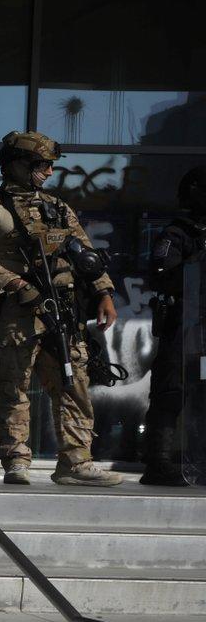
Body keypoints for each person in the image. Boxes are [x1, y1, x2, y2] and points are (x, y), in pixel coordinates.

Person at [0, 130, 122, 487]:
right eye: (41, 165)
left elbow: (85, 255)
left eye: (50, 165)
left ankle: (76, 462)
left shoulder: (57, 208)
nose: (48, 172)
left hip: (61, 310)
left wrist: (104, 293)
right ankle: (16, 460)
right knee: (14, 386)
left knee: (73, 381)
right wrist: (18, 284)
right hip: (17, 312)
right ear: (16, 164)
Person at [142, 166, 206, 486]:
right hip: (185, 326)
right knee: (171, 391)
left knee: (202, 392)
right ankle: (160, 462)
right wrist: (196, 265)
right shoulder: (179, 233)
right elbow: (160, 273)